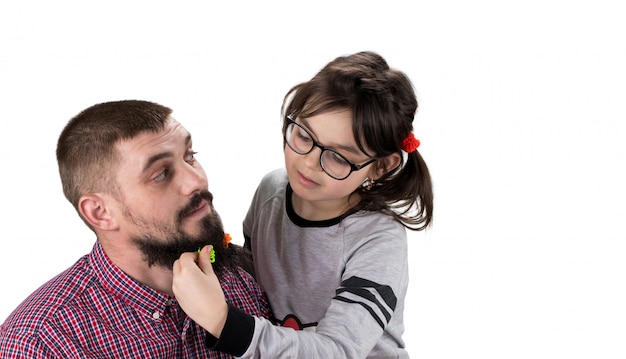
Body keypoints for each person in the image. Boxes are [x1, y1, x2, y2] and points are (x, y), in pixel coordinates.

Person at [172, 51, 433, 358]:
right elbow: (257, 280)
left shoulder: (378, 240)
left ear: (380, 167)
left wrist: (224, 322)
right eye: (304, 136)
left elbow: (338, 351)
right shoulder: (272, 191)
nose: (309, 164)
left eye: (338, 157)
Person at [0, 100, 271, 358]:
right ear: (100, 212)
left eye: (190, 156)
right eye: (161, 174)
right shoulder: (42, 343)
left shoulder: (248, 275)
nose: (196, 181)